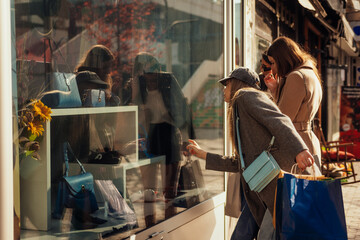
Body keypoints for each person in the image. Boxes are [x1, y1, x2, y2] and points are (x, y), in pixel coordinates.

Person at [186, 67, 314, 239]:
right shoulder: (240, 109)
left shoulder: (246, 96)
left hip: (275, 189)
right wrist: (202, 154)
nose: (224, 89)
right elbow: (240, 163)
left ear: (238, 84)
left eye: (228, 84)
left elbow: (280, 120)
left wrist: (300, 149)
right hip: (260, 191)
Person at [132, 52, 192, 226]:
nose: (152, 80)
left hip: (169, 135)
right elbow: (131, 118)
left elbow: (183, 110)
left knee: (170, 193)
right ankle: (150, 231)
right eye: (147, 76)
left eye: (155, 75)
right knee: (149, 192)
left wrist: (186, 140)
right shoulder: (138, 89)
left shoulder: (168, 83)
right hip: (148, 137)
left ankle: (168, 229)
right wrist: (136, 91)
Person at [265, 36, 323, 170]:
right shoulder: (309, 73)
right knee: (309, 189)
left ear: (283, 59)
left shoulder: (296, 77)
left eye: (273, 63)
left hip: (296, 145)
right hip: (306, 140)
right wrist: (275, 90)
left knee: (296, 189)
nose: (272, 69)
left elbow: (283, 118)